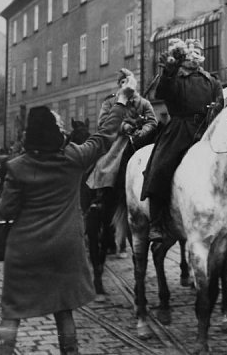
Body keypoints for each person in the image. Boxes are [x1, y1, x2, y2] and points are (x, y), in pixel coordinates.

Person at [0, 83, 130, 355]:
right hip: (63, 249)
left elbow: (5, 210)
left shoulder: (17, 167)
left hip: (25, 251)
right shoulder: (74, 158)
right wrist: (121, 102)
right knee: (63, 309)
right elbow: (104, 136)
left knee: (12, 313)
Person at [141, 38, 223, 243]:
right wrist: (168, 71)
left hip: (207, 130)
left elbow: (220, 104)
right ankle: (157, 222)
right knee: (161, 167)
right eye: (190, 52)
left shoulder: (212, 81)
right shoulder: (175, 77)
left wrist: (216, 112)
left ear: (202, 56)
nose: (194, 56)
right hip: (179, 129)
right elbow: (162, 92)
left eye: (198, 52)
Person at [85, 69, 156, 292]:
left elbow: (153, 121)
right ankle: (101, 196)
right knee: (105, 165)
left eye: (131, 81)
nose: (128, 85)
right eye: (124, 82)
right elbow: (103, 124)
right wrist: (124, 126)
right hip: (117, 145)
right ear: (120, 84)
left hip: (139, 144)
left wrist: (142, 131)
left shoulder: (143, 103)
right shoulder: (110, 102)